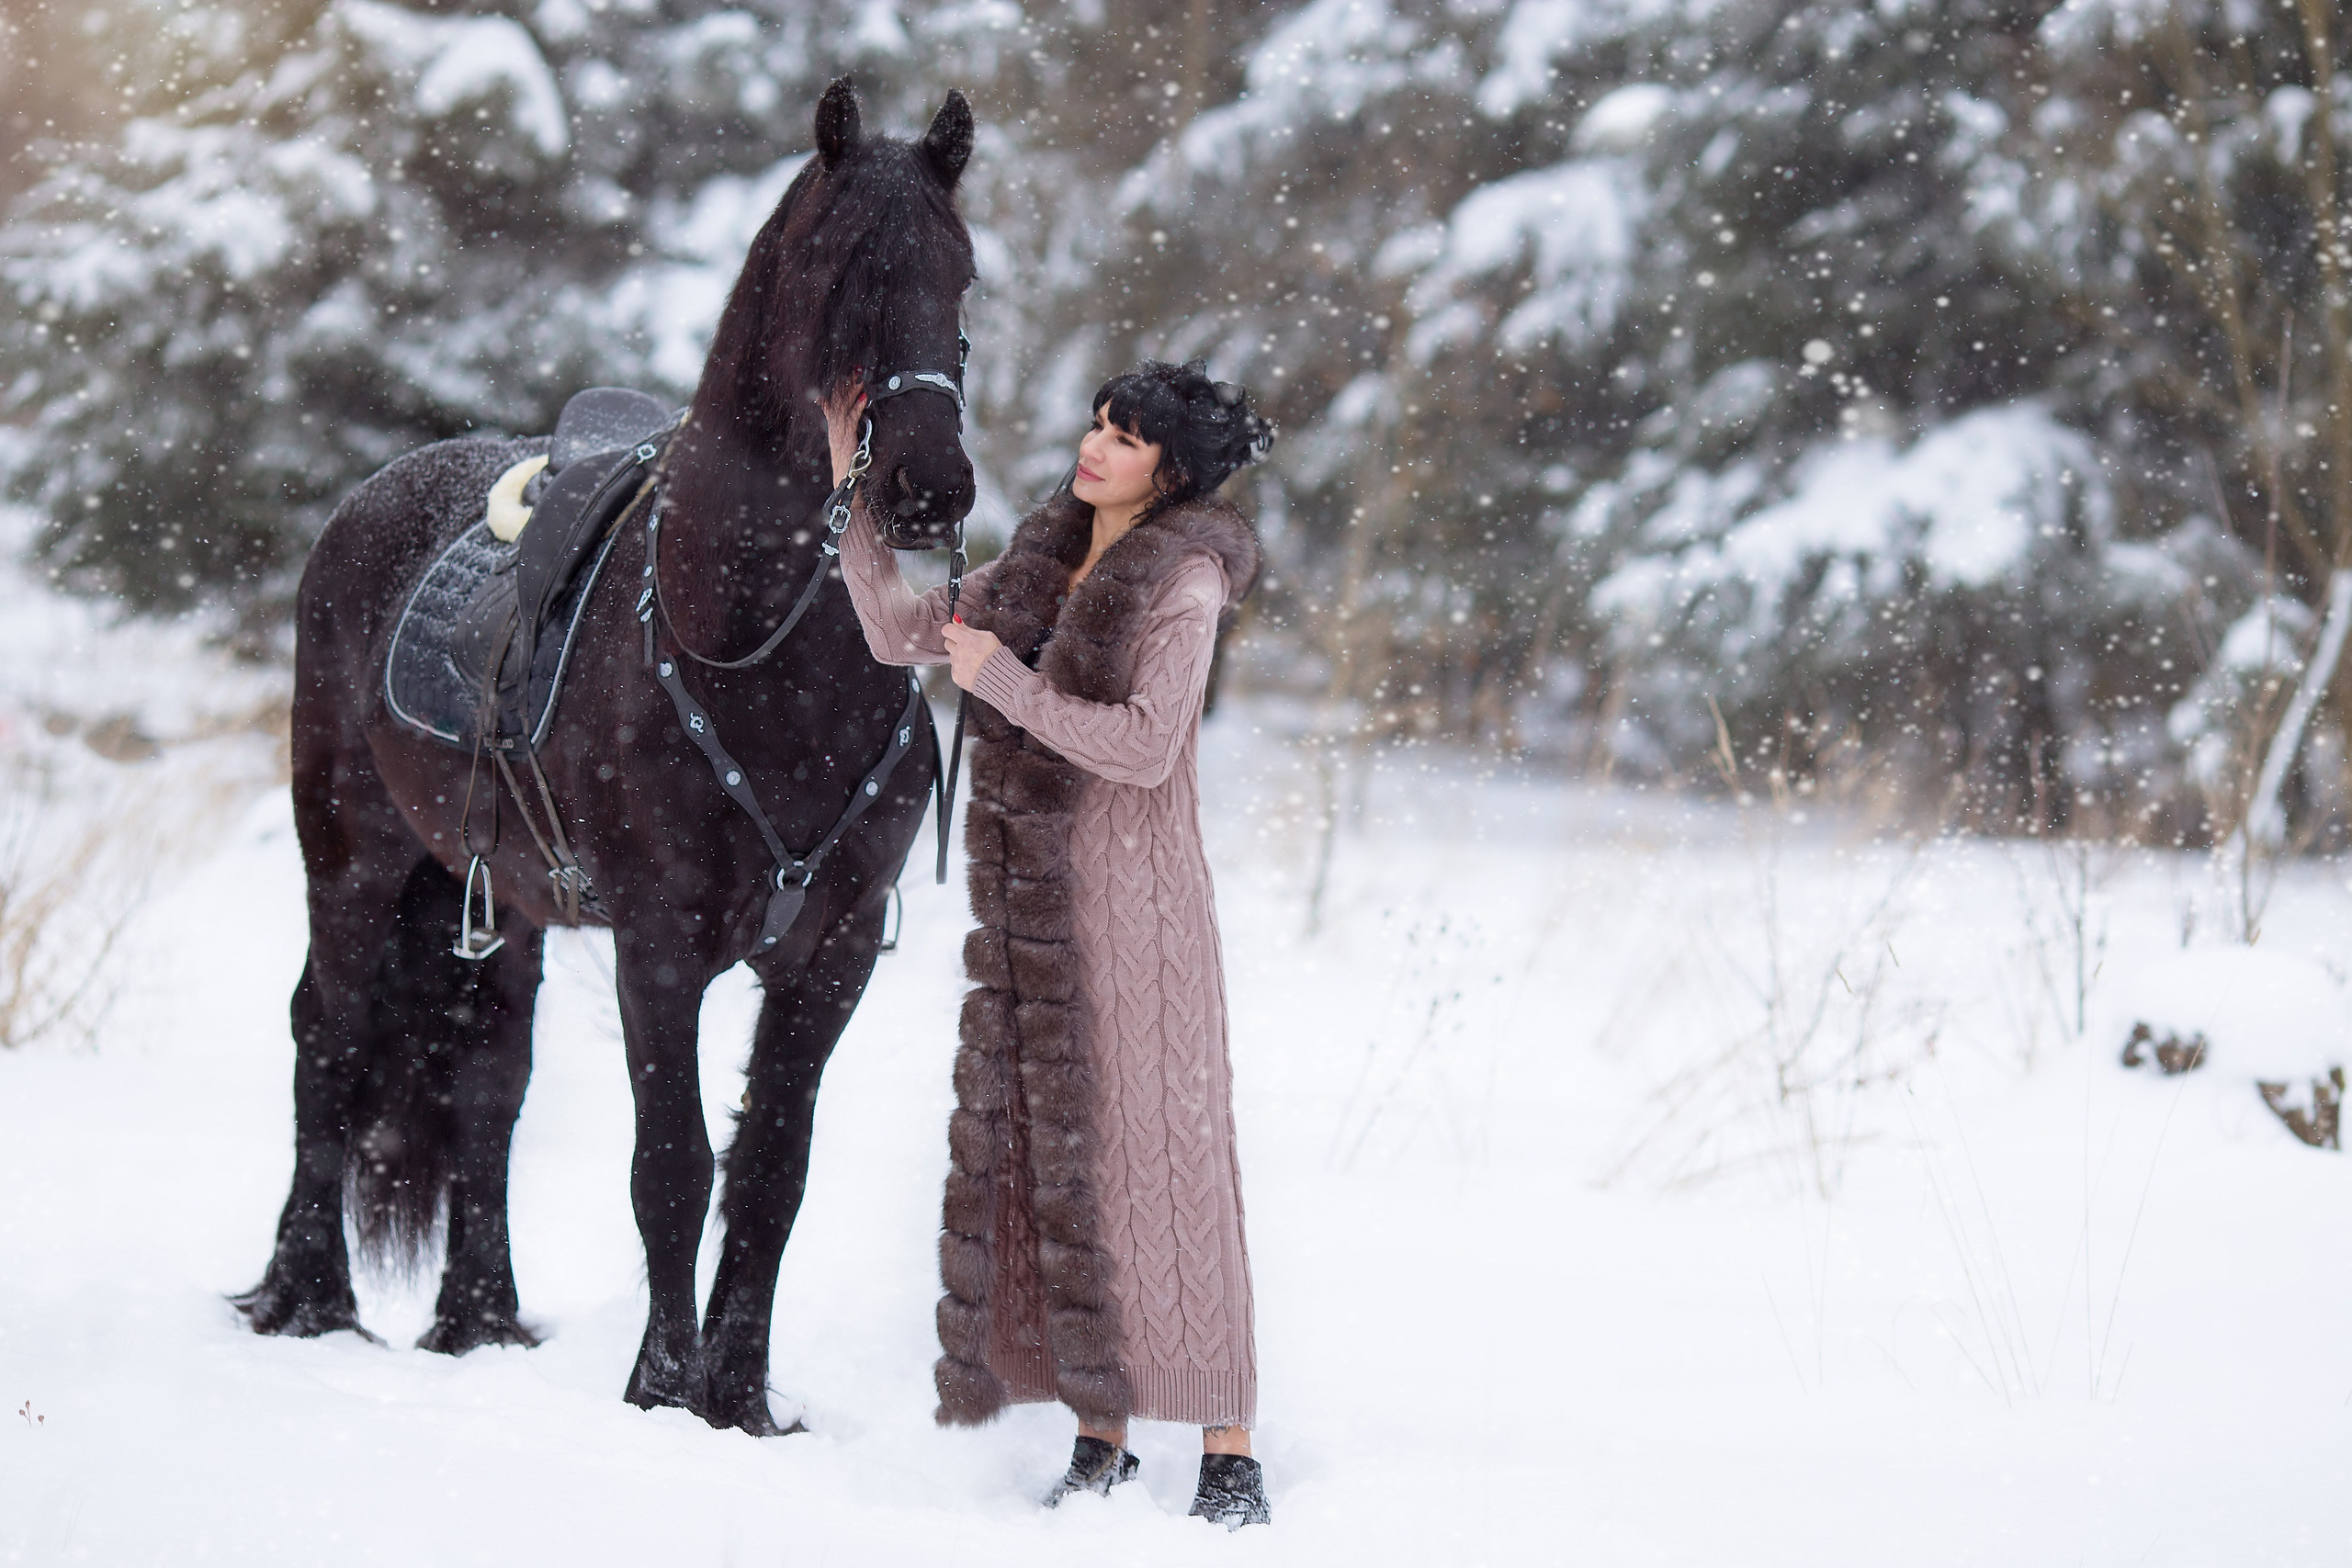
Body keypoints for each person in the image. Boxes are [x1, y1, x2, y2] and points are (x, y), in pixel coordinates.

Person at [830, 359, 1275, 1528]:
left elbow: (1145, 746)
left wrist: (1007, 685)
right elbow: (898, 633)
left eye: (1125, 438)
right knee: (1058, 1162)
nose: (1095, 447)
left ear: (1170, 472)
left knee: (1167, 1162)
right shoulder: (1039, 562)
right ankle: (1100, 1432)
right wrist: (849, 489)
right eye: (1097, 424)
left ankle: (1229, 1448)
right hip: (1038, 910)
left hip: (1142, 915)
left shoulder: (1183, 580)